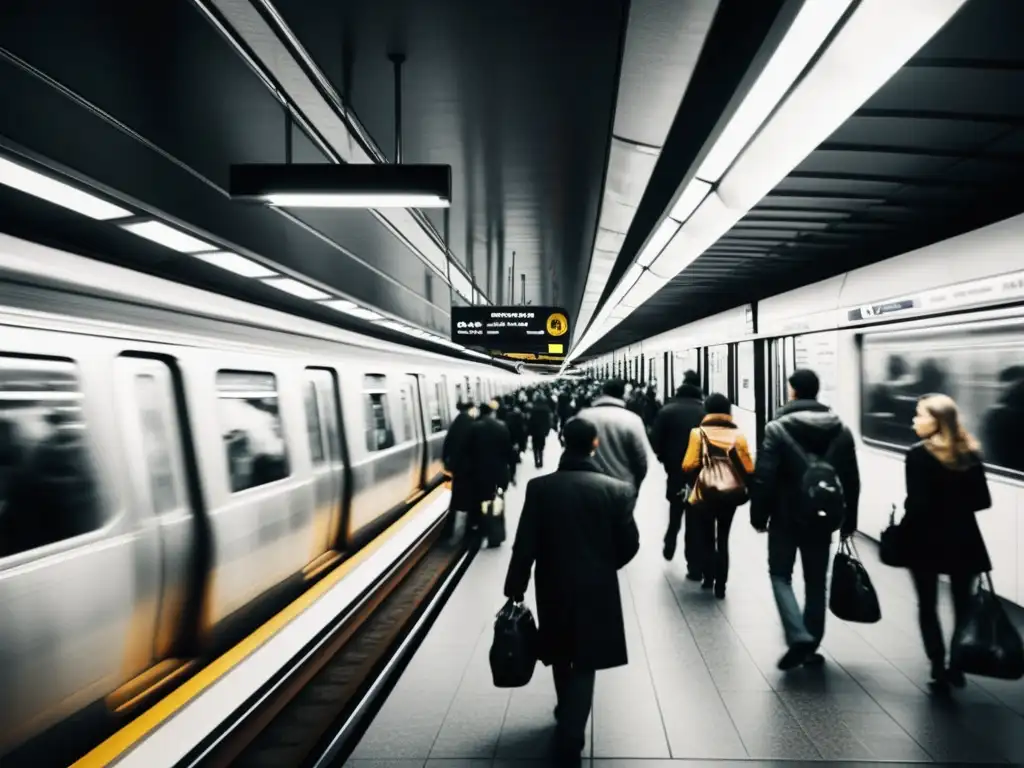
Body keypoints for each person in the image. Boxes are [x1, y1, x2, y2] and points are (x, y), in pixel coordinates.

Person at [504, 418, 639, 761]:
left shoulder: (540, 488)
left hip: (553, 584)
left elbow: (525, 545)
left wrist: (515, 587)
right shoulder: (617, 489)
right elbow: (630, 544)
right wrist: (604, 565)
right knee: (586, 659)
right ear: (594, 444)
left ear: (563, 440)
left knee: (561, 653)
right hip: (597, 587)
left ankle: (567, 716)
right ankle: (571, 736)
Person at [751, 369, 860, 670]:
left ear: (793, 392)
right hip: (822, 517)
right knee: (816, 583)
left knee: (780, 575)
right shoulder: (841, 430)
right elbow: (852, 479)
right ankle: (810, 646)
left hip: (785, 516)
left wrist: (758, 515)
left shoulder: (776, 428)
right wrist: (850, 520)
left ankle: (797, 634)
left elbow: (764, 477)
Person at [901, 394, 991, 690]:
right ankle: (956, 663)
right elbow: (982, 501)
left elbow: (916, 504)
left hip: (924, 538)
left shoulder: (917, 455)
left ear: (937, 420)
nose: (914, 420)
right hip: (963, 538)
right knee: (963, 605)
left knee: (927, 604)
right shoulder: (969, 453)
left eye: (919, 414)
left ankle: (937, 664)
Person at [681, 392, 754, 598]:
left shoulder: (698, 433)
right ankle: (721, 585)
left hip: (705, 493)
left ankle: (708, 577)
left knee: (706, 537)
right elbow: (748, 468)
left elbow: (688, 464)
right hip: (729, 495)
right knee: (723, 538)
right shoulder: (738, 435)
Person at [649, 371, 705, 576]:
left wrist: (664, 459)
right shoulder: (705, 411)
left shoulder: (667, 411)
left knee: (675, 508)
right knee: (695, 517)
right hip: (699, 472)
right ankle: (694, 565)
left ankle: (670, 537)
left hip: (675, 470)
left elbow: (655, 440)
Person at [571, 379, 649, 489]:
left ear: (603, 392)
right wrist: (635, 484)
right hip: (622, 484)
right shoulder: (632, 420)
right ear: (623, 394)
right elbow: (641, 459)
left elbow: (572, 451)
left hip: (588, 483)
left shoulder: (583, 416)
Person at [461, 401, 515, 539]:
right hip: (499, 474)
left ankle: (480, 530)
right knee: (497, 503)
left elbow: (467, 452)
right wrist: (512, 473)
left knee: (481, 503)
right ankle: (496, 535)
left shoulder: (473, 428)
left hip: (479, 475)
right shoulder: (501, 427)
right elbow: (509, 452)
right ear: (492, 412)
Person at [528, 393, 553, 468]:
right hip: (542, 432)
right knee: (541, 448)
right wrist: (547, 430)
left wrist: (529, 431)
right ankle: (541, 462)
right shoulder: (546, 409)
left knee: (535, 448)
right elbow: (548, 421)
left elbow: (530, 421)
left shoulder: (533, 409)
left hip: (535, 431)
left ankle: (536, 462)